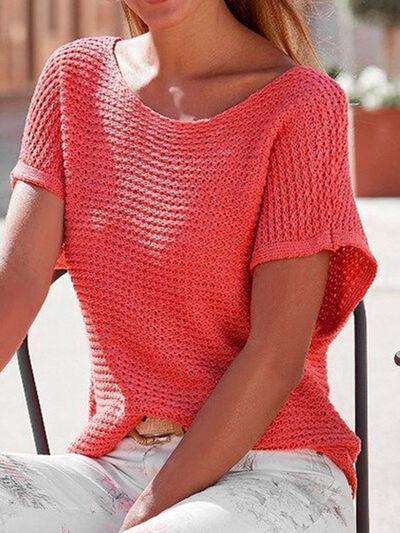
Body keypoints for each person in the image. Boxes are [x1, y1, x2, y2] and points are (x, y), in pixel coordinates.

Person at [0, 0, 378, 532]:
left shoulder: (301, 103)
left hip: (274, 469)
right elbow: (15, 281)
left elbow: (275, 356)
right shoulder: (74, 79)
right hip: (113, 468)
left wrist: (152, 508)